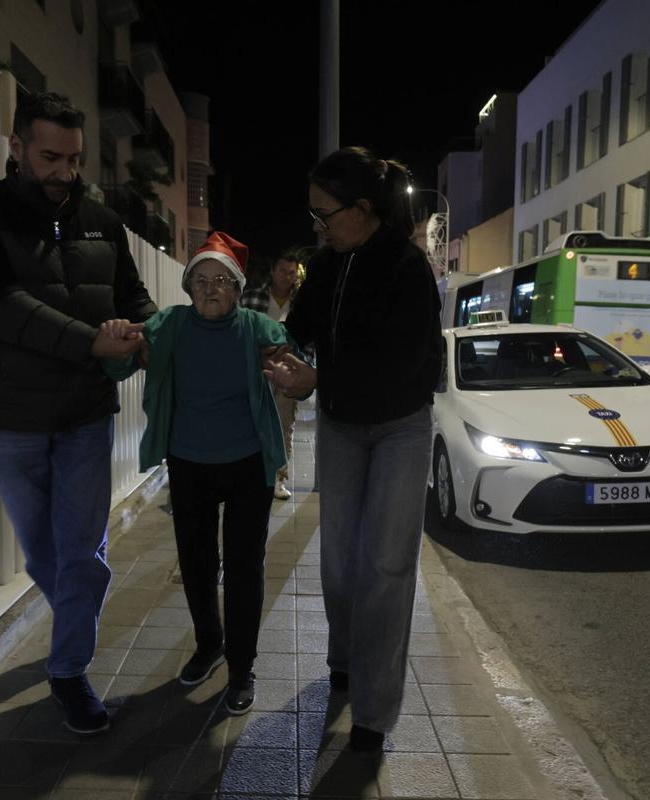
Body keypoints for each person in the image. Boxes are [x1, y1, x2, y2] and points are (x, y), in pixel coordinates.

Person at [0, 91, 155, 735]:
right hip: (11, 418)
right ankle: (70, 635)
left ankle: (68, 671)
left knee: (83, 555)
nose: (66, 171)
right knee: (47, 554)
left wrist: (146, 333)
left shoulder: (102, 220)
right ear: (15, 147)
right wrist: (90, 340)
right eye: (50, 157)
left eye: (75, 158)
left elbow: (136, 297)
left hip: (86, 413)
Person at [265, 147, 442, 751]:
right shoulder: (327, 265)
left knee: (387, 565)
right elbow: (298, 330)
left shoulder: (407, 268)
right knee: (338, 558)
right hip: (342, 425)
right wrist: (274, 338)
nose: (317, 225)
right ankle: (342, 660)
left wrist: (318, 381)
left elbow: (404, 367)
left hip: (400, 427)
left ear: (362, 209)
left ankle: (374, 713)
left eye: (325, 213)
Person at [103, 232, 299, 716]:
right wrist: (113, 344)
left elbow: (292, 360)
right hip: (189, 463)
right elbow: (120, 367)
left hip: (248, 463)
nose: (211, 289)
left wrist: (290, 369)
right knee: (195, 564)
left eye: (222, 281)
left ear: (237, 288)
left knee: (244, 567)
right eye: (201, 280)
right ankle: (209, 646)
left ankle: (241, 667)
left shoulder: (257, 328)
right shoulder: (169, 325)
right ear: (188, 287)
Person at [240, 248, 303, 499]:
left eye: (292, 272)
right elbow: (241, 331)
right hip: (257, 369)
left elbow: (309, 339)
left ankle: (279, 477)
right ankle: (252, 474)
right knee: (252, 422)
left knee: (283, 424)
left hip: (289, 369)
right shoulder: (253, 298)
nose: (288, 277)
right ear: (273, 271)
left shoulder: (300, 303)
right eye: (283, 271)